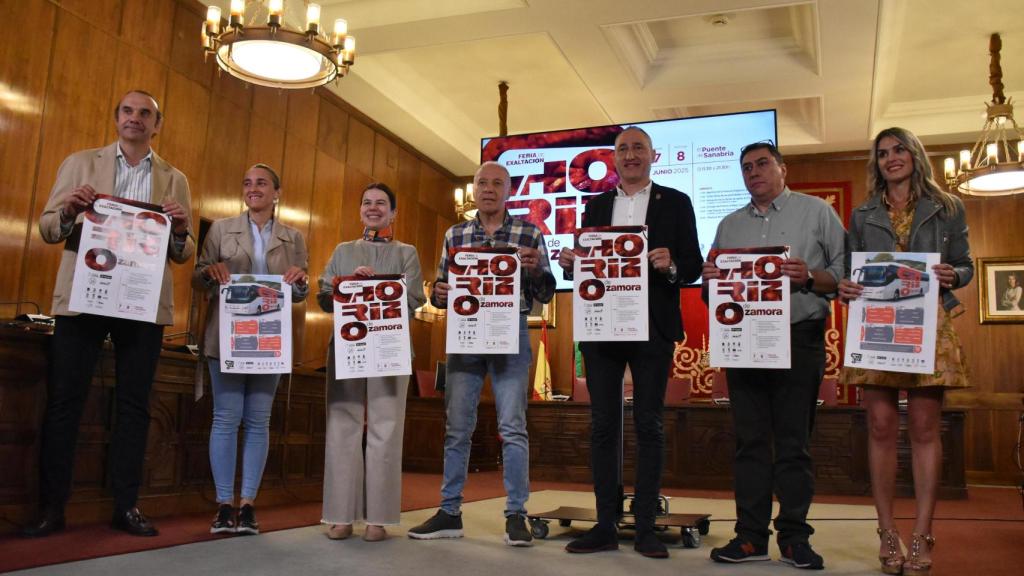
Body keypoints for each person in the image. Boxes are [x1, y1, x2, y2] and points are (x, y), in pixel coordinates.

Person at [25, 90, 194, 537]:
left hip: (140, 302)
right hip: (85, 295)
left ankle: (126, 506)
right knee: (64, 403)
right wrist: (68, 210)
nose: (135, 119)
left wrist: (178, 229)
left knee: (136, 408)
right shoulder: (80, 163)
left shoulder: (175, 179)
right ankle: (51, 508)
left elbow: (185, 251)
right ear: (117, 118)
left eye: (145, 114)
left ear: (157, 125)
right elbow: (46, 228)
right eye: (127, 111)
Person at [557, 126, 703, 559]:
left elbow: (693, 264)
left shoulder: (676, 202)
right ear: (614, 159)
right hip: (602, 327)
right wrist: (571, 263)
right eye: (623, 149)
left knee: (649, 425)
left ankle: (645, 528)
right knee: (603, 426)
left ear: (653, 156)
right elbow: (588, 264)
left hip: (652, 327)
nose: (631, 155)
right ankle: (604, 525)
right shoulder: (596, 204)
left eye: (638, 147)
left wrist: (671, 263)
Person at [703, 141, 844, 570]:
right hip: (744, 342)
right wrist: (710, 280)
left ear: (782, 169)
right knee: (748, 443)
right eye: (746, 167)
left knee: (793, 445)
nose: (754, 172)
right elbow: (714, 290)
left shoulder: (817, 211)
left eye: (762, 163)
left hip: (798, 338)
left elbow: (844, 274)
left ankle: (795, 538)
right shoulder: (728, 225)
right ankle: (750, 538)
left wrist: (810, 276)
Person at [838, 127, 972, 576]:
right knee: (878, 426)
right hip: (877, 326)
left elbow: (967, 264)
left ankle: (922, 533)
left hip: (928, 323)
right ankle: (886, 531)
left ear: (915, 155)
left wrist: (957, 274)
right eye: (882, 154)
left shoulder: (948, 207)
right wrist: (847, 286)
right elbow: (849, 270)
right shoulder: (862, 214)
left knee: (923, 428)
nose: (891, 158)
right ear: (875, 164)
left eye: (898, 150)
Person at [408, 161, 555, 546]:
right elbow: (440, 290)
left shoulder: (529, 232)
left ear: (509, 191)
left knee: (512, 427)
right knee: (457, 427)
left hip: (512, 334)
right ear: (474, 190)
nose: (489, 189)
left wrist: (537, 270)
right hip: (466, 337)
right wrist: (437, 294)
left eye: (497, 183)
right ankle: (449, 511)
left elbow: (546, 293)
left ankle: (516, 513)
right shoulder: (455, 234)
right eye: (482, 183)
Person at [193, 163, 309, 535]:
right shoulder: (221, 230)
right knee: (226, 418)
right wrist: (211, 273)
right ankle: (224, 505)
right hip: (225, 336)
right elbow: (198, 276)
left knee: (258, 421)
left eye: (261, 183)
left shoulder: (294, 238)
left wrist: (300, 281)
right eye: (247, 183)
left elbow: (300, 292)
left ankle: (248, 507)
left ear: (277, 193)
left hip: (269, 339)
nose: (253, 188)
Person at [317, 182, 425, 542]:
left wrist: (377, 286)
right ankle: (340, 516)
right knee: (342, 428)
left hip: (391, 350)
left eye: (381, 203)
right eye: (367, 203)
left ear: (393, 212)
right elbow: (322, 294)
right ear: (360, 210)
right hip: (346, 348)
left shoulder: (407, 252)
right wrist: (345, 284)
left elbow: (414, 300)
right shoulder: (342, 250)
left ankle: (379, 519)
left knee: (386, 429)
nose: (373, 208)